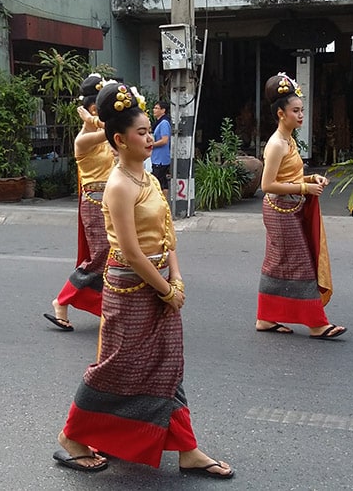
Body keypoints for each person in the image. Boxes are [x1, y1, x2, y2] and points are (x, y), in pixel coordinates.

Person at [52, 80, 234, 479]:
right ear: (120, 139)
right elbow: (131, 252)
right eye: (142, 134)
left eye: (150, 133)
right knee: (117, 367)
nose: (150, 139)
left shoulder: (148, 179)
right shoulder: (118, 186)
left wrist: (178, 278)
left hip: (159, 283)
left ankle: (188, 449)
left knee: (167, 365)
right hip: (131, 288)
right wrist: (167, 289)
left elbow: (167, 233)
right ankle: (71, 437)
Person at [254, 73, 346, 340]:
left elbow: (287, 178)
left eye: (301, 110)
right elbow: (268, 184)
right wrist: (305, 188)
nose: (301, 115)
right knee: (301, 264)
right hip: (279, 211)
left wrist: (308, 178)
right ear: (281, 114)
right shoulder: (276, 144)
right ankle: (316, 322)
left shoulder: (289, 140)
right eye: (296, 111)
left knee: (277, 263)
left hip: (288, 209)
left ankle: (266, 317)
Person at [43, 74, 113, 331]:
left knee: (114, 256)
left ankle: (109, 306)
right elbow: (112, 130)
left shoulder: (103, 135)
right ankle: (61, 301)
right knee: (99, 257)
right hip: (95, 203)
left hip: (112, 201)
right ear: (94, 109)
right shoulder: (84, 138)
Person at [150, 100, 171, 198]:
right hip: (157, 157)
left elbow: (164, 140)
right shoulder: (159, 122)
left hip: (161, 158)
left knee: (157, 181)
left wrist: (152, 144)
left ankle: (161, 203)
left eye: (157, 108)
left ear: (163, 110)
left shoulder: (164, 123)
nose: (154, 110)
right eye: (154, 108)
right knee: (162, 181)